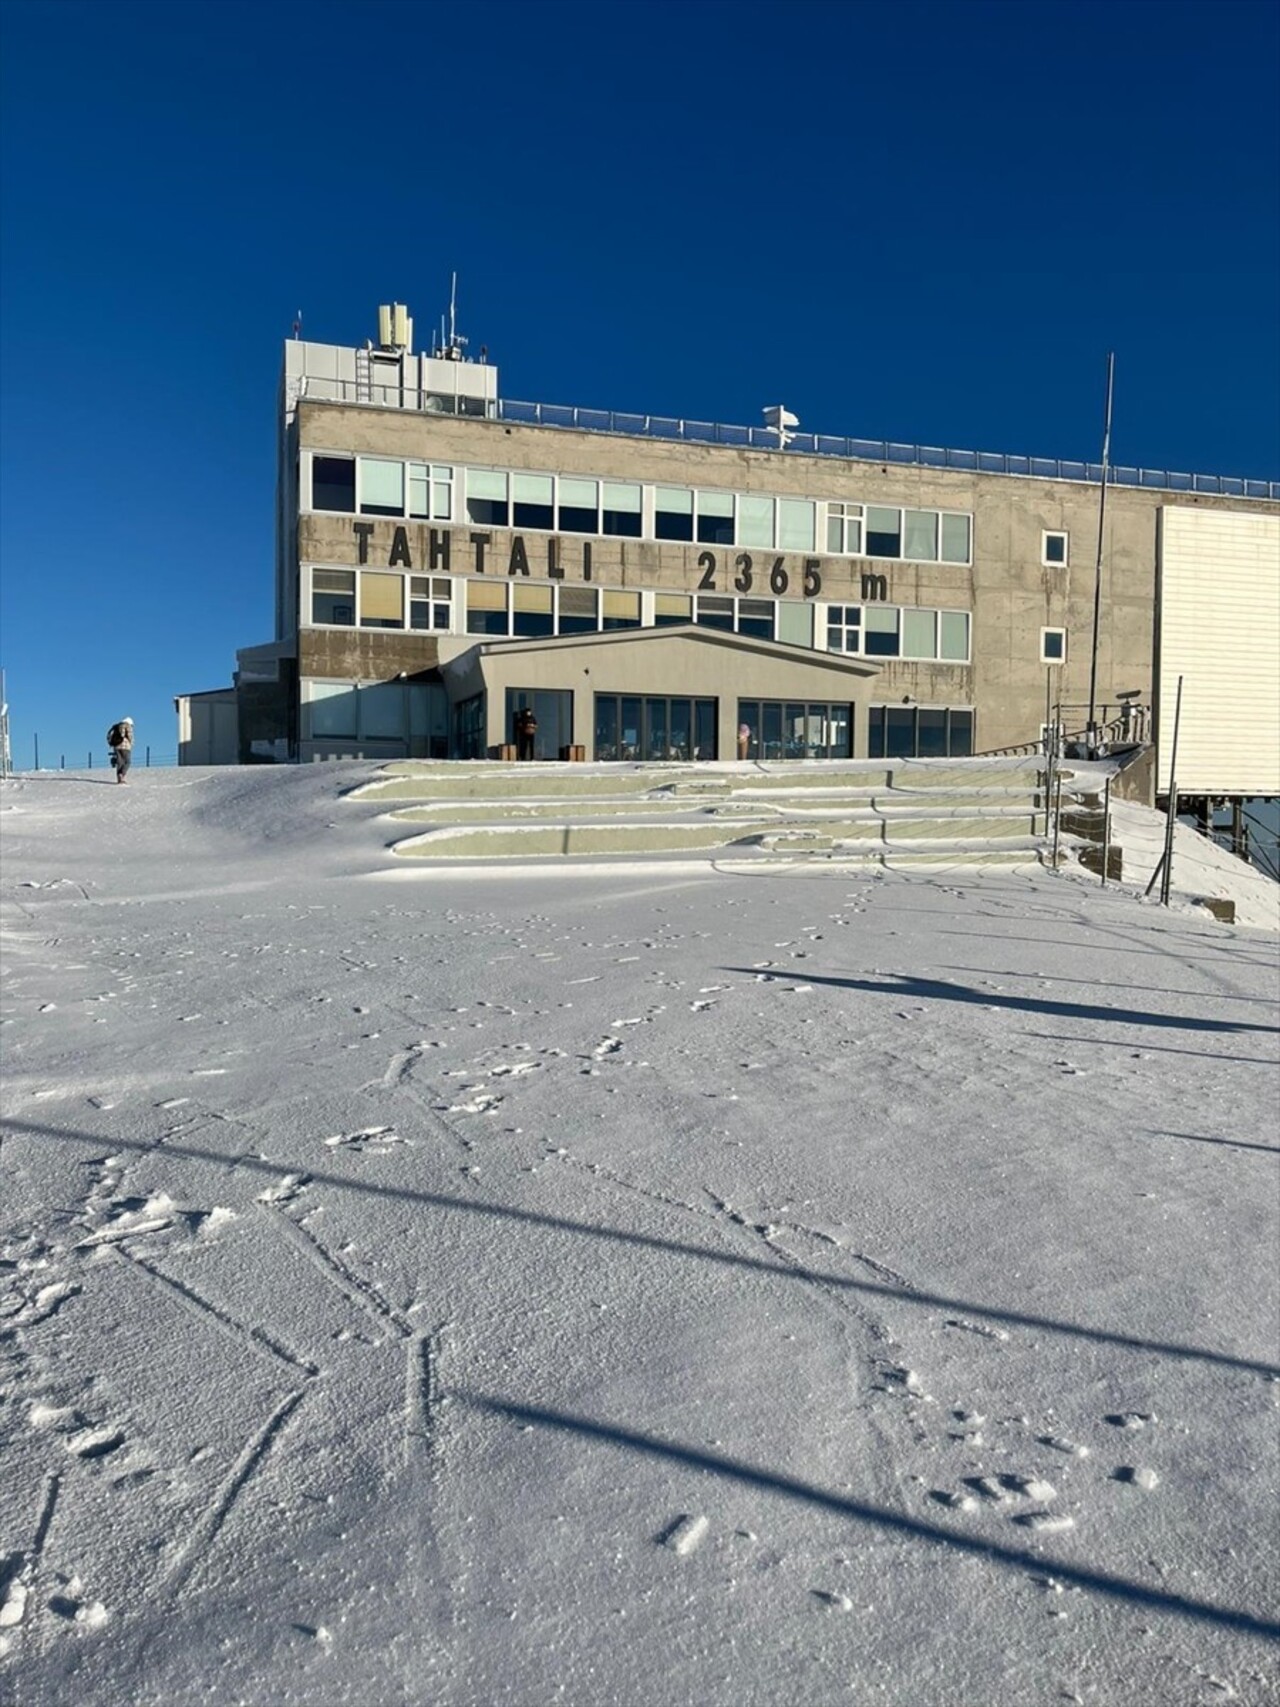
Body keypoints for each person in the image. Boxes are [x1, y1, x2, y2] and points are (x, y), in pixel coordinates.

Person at [107, 717, 134, 784]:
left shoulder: (117, 726)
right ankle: (122, 774)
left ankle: (119, 779)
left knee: (120, 762)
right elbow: (130, 736)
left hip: (116, 747)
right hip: (125, 747)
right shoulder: (127, 726)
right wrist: (131, 743)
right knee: (127, 762)